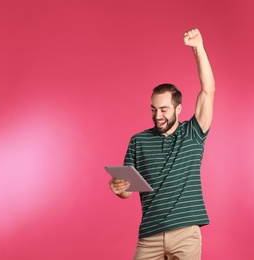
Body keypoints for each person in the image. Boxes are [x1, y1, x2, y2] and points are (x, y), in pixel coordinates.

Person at [109, 28, 215, 260]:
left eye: (164, 109)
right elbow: (128, 188)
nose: (158, 115)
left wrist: (198, 48)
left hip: (185, 233)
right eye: (153, 109)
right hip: (150, 236)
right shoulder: (138, 141)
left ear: (178, 109)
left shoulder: (193, 133)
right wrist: (119, 188)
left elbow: (208, 91)